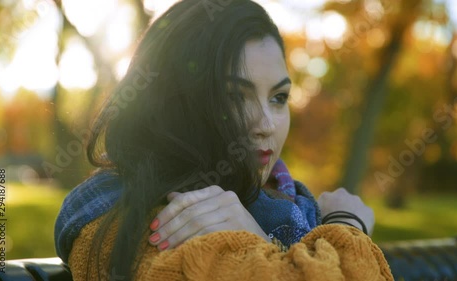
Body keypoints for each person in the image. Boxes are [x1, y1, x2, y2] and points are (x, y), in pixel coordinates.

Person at [54, 0, 393, 280]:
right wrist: (349, 225)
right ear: (173, 103)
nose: (265, 124)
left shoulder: (292, 204)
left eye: (278, 98)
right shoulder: (154, 221)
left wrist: (257, 239)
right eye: (234, 96)